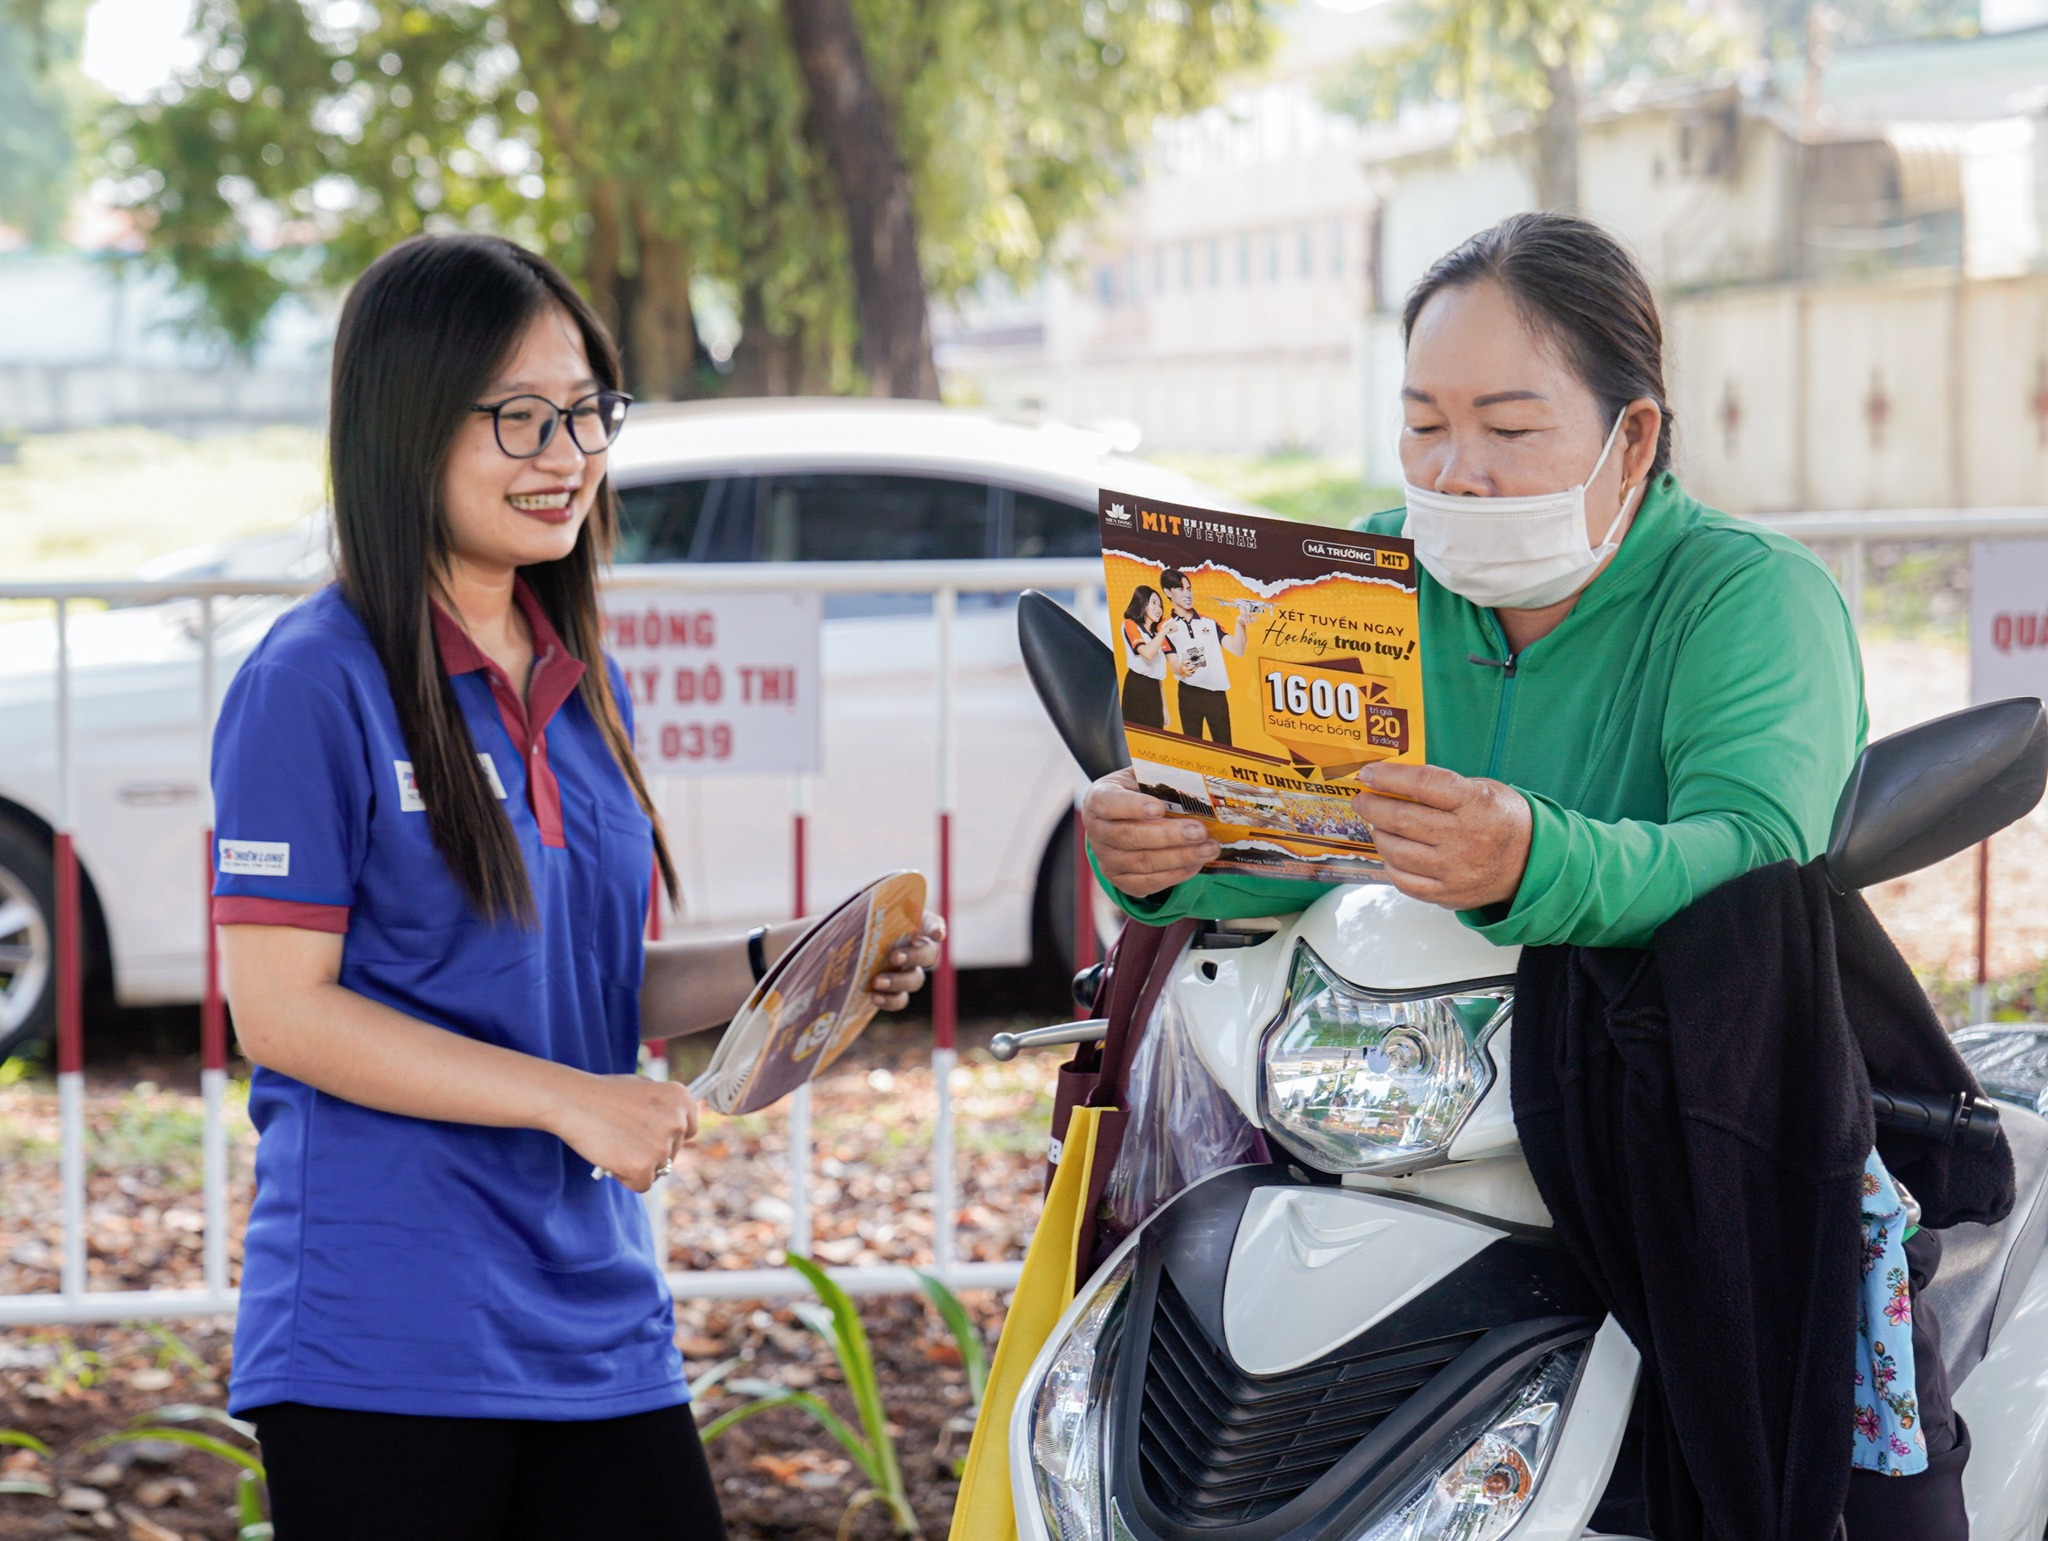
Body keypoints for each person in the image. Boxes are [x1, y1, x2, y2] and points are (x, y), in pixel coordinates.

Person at [1078, 213, 1962, 1535]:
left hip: (1677, 1121)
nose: (1460, 472)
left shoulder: (1747, 599)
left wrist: (1531, 856)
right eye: (1425, 423)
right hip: (1396, 1108)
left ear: (1635, 438)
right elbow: (1302, 835)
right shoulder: (1356, 584)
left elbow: (1751, 852)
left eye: (1509, 427)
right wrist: (1168, 851)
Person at [210, 233, 943, 1541]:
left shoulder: (570, 669)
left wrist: (795, 959)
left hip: (598, 1315)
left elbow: (593, 980)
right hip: (385, 1332)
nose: (568, 455)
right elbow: (283, 1014)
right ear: (404, 426)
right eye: (519, 418)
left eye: (588, 411)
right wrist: (573, 1104)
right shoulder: (309, 681)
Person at [1160, 567, 1247, 744]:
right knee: (1194, 749)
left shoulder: (1209, 622)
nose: (1187, 594)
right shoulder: (1164, 628)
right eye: (1180, 589)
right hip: (1188, 694)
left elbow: (1238, 649)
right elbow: (1174, 665)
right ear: (1168, 592)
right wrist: (1183, 670)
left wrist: (1240, 623)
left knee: (1225, 748)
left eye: (1189, 589)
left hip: (1216, 695)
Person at [1119, 584, 1172, 730]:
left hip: (1154, 690)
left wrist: (1164, 707)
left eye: (1160, 605)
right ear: (1142, 602)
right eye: (1153, 603)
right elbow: (1147, 654)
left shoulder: (1156, 634)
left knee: (1155, 736)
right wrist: (1164, 631)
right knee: (1137, 736)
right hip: (1136, 686)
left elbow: (1158, 675)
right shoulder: (1130, 624)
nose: (1158, 608)